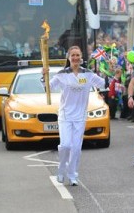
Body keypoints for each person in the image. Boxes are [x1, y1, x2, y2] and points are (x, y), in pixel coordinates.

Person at [43, 46, 105, 186]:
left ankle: (72, 175)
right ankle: (61, 169)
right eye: (73, 55)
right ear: (69, 57)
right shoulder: (62, 74)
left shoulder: (88, 74)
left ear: (81, 57)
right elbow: (48, 88)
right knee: (65, 145)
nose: (75, 58)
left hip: (80, 117)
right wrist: (44, 76)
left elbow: (102, 83)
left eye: (78, 55)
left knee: (76, 148)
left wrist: (109, 71)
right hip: (65, 116)